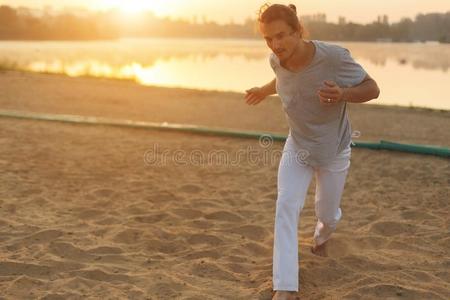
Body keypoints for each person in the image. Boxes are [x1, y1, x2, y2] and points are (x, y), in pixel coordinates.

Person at [244, 3, 380, 300]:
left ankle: (321, 238)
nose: (275, 45)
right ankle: (286, 287)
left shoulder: (333, 57)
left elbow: (373, 88)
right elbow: (281, 79)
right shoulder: (275, 60)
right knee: (286, 205)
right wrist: (263, 90)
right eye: (268, 39)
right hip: (298, 146)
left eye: (281, 36)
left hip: (334, 150)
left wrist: (343, 93)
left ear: (298, 30)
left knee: (327, 215)